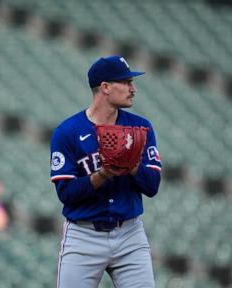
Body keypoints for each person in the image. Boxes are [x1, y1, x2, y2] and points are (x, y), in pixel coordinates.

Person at [50, 56, 162, 288]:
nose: (133, 89)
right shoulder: (67, 132)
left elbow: (152, 186)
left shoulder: (141, 128)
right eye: (126, 82)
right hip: (83, 236)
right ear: (106, 87)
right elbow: (66, 194)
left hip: (130, 234)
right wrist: (105, 173)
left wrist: (131, 167)